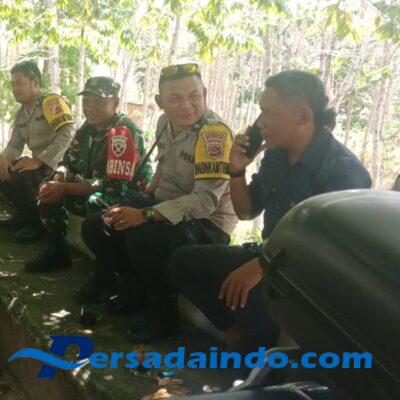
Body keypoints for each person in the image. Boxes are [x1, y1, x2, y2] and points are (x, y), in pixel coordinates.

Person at [169, 70, 372, 353]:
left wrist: (263, 265)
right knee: (183, 262)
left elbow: (329, 255)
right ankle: (234, 331)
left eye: (268, 113)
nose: (260, 122)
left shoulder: (343, 173)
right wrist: (236, 171)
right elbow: (246, 212)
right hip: (268, 256)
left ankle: (254, 357)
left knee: (253, 298)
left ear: (302, 116)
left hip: (305, 276)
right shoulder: (276, 153)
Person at [79, 63, 237, 342]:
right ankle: (135, 289)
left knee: (143, 234)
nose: (186, 105)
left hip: (207, 224)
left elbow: (205, 201)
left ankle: (165, 315)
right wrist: (144, 199)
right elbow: (164, 168)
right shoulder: (165, 123)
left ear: (205, 93)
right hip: (165, 209)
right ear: (160, 101)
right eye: (175, 98)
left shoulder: (213, 135)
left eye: (194, 96)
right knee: (98, 225)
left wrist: (146, 213)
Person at [25, 76, 151, 272]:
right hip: (92, 186)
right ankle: (57, 251)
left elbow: (113, 188)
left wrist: (65, 187)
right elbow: (67, 162)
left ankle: (107, 271)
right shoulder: (86, 128)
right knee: (48, 188)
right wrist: (58, 178)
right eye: (86, 102)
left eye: (98, 102)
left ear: (115, 103)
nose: (90, 108)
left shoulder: (122, 132)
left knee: (96, 202)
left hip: (128, 196)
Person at [0, 60, 76, 242]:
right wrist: (4, 158)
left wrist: (39, 160)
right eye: (12, 84)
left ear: (35, 82)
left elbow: (68, 134)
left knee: (21, 176)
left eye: (19, 83)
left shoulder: (51, 102)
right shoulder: (21, 113)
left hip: (59, 166)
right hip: (40, 165)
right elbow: (15, 144)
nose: (15, 88)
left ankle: (37, 224)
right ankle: (23, 214)